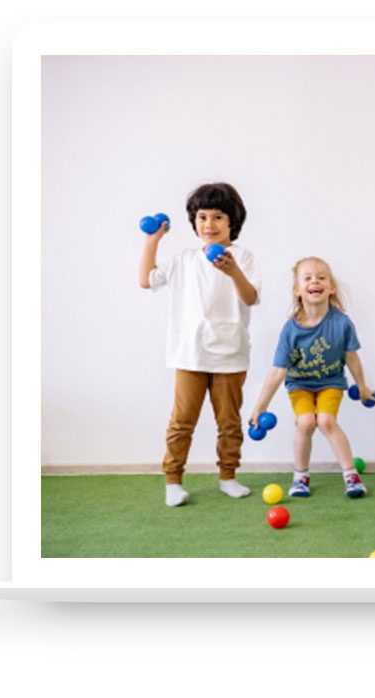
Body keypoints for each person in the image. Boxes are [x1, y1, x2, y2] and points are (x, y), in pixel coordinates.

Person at [139, 182, 261, 507]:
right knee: (181, 421)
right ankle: (173, 482)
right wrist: (153, 240)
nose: (209, 224)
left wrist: (233, 271)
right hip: (190, 354)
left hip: (231, 354)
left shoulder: (243, 257)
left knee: (230, 422)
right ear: (194, 221)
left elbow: (251, 297)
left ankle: (228, 477)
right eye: (203, 217)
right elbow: (146, 279)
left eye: (218, 217)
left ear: (232, 222)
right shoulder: (183, 259)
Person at [248, 257, 374, 498]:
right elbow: (277, 371)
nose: (315, 281)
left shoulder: (342, 323)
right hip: (300, 384)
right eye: (308, 278)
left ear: (331, 287)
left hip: (330, 382)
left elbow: (352, 359)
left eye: (321, 277)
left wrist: (363, 387)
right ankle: (300, 478)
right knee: (306, 423)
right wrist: (259, 408)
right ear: (297, 290)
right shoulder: (291, 329)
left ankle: (351, 477)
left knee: (326, 421)